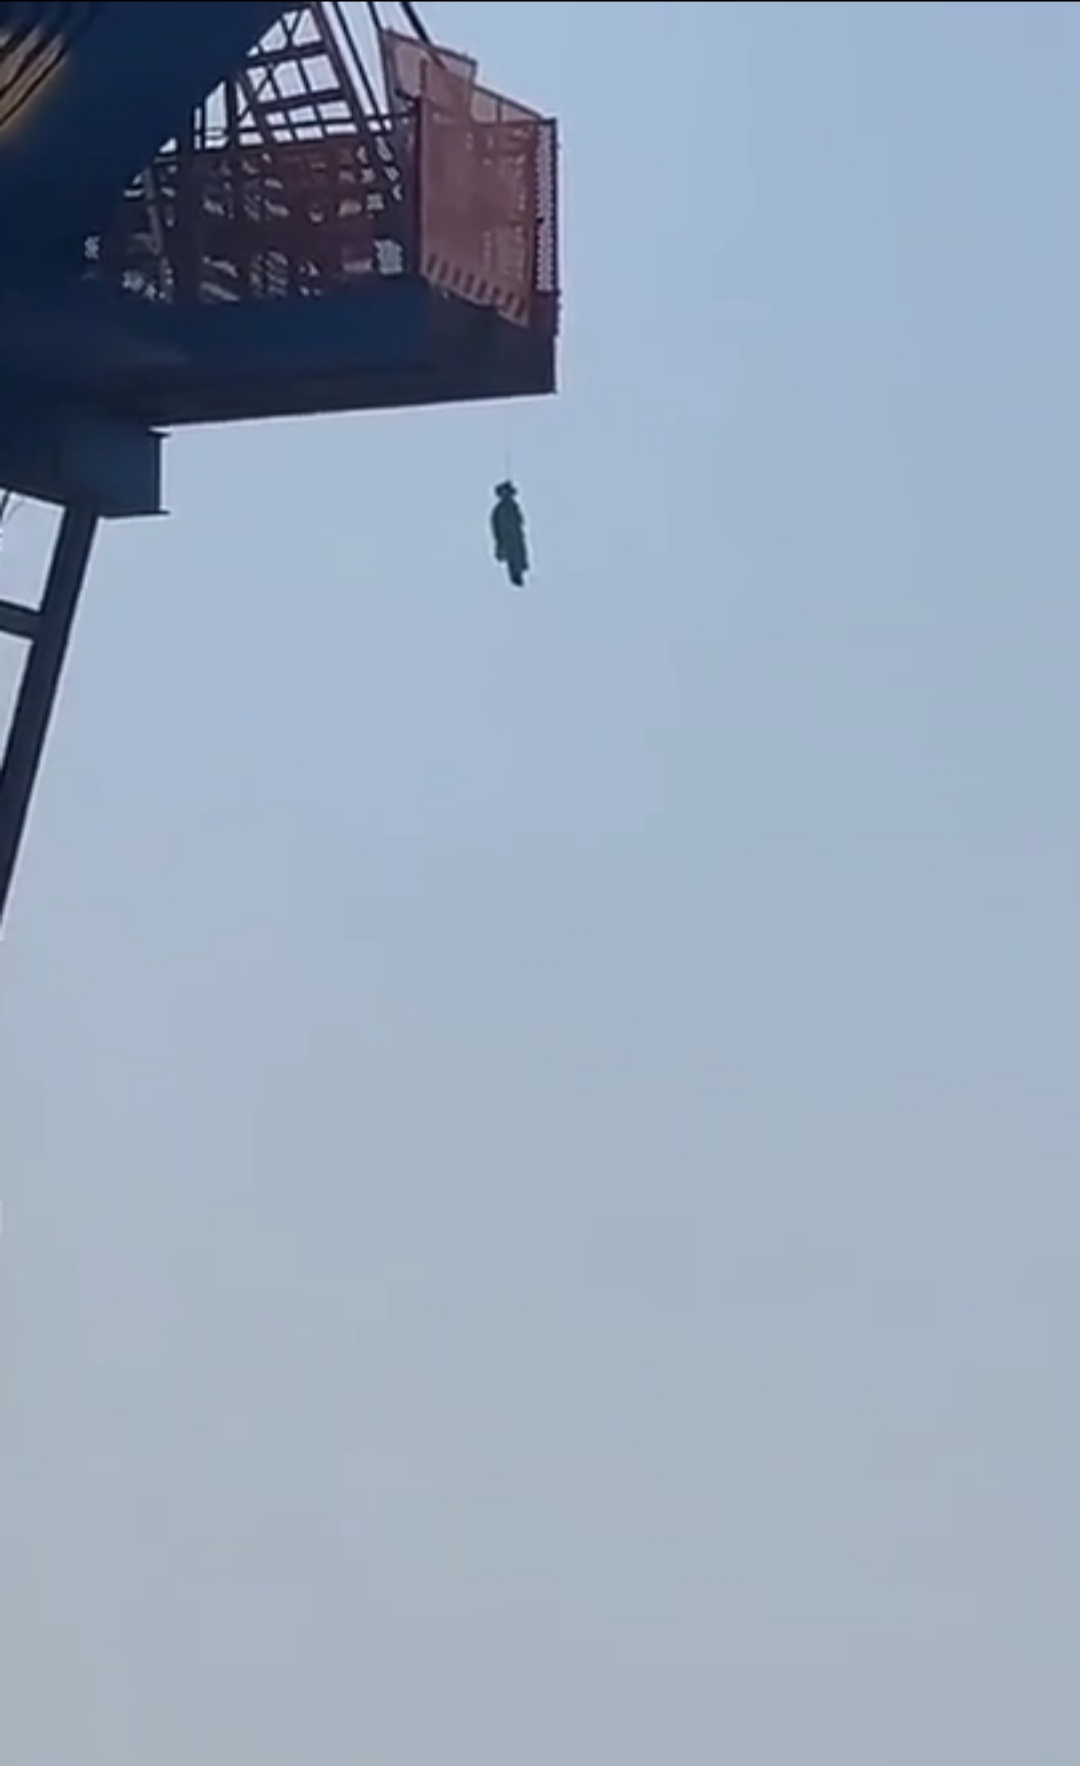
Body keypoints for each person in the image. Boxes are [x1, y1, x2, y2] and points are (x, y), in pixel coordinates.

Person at [490, 480, 529, 588]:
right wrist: (499, 545)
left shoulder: (514, 507)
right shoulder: (498, 510)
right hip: (508, 540)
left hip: (516, 539)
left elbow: (520, 522)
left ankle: (519, 573)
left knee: (518, 555)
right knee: (513, 557)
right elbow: (496, 529)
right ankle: (516, 575)